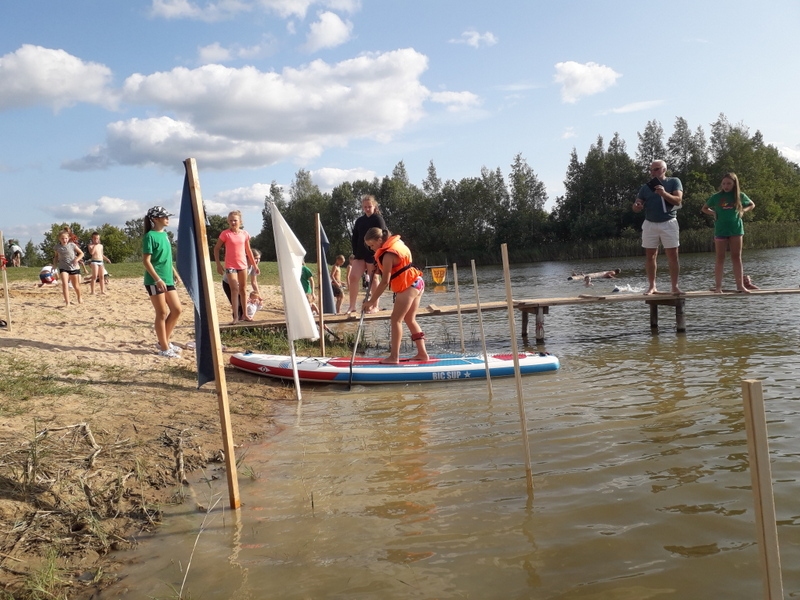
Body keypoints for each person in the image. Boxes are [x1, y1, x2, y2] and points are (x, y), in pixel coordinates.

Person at [362, 227, 429, 364]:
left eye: (372, 245)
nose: (372, 249)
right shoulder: (396, 245)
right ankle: (422, 354)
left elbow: (385, 282)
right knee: (410, 319)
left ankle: (394, 357)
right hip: (418, 282)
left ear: (379, 240)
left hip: (409, 285)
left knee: (395, 320)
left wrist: (371, 301)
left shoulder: (387, 255)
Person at [632, 159, 684, 295]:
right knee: (650, 256)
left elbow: (678, 200)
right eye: (651, 170)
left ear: (664, 170)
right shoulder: (645, 187)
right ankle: (652, 286)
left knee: (673, 255)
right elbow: (637, 205)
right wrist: (637, 205)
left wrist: (663, 193)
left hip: (669, 222)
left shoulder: (674, 181)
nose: (653, 172)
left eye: (656, 169)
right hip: (650, 223)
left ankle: (674, 286)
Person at [701, 172, 755, 293]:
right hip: (720, 230)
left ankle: (740, 286)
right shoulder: (716, 197)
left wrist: (743, 210)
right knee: (720, 257)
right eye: (724, 183)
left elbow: (752, 204)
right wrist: (713, 213)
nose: (726, 186)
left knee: (736, 257)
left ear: (734, 184)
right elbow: (704, 208)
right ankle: (719, 287)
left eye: (729, 183)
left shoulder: (740, 195)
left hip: (736, 229)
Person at [142, 206, 182, 358]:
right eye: (164, 216)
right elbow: (146, 261)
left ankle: (163, 341)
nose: (167, 219)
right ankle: (164, 348)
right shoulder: (149, 236)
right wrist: (157, 279)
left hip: (168, 279)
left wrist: (175, 274)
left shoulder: (165, 235)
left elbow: (166, 259)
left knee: (177, 310)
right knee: (162, 312)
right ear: (155, 219)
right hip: (154, 280)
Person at [214, 210, 260, 324]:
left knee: (243, 290)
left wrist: (254, 266)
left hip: (242, 265)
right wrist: (218, 264)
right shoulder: (225, 234)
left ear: (240, 221)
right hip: (230, 266)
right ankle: (235, 317)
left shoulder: (244, 234)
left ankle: (245, 315)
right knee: (234, 289)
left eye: (235, 220)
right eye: (230, 221)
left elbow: (248, 250)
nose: (233, 222)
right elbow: (216, 248)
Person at [348, 195, 386, 314]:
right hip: (360, 253)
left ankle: (375, 305)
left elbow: (383, 236)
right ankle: (352, 306)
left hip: (373, 253)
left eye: (369, 206)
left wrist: (380, 254)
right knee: (353, 277)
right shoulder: (359, 220)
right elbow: (355, 237)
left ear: (374, 206)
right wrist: (355, 252)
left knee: (374, 278)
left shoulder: (378, 219)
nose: (367, 209)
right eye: (365, 207)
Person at [53, 230, 84, 306]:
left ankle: (79, 297)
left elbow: (81, 253)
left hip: (73, 267)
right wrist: (54, 264)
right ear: (59, 239)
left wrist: (76, 259)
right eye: (62, 238)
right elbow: (56, 257)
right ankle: (67, 302)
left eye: (66, 238)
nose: (64, 240)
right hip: (63, 267)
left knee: (76, 286)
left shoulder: (72, 245)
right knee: (64, 284)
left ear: (68, 238)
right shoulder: (57, 247)